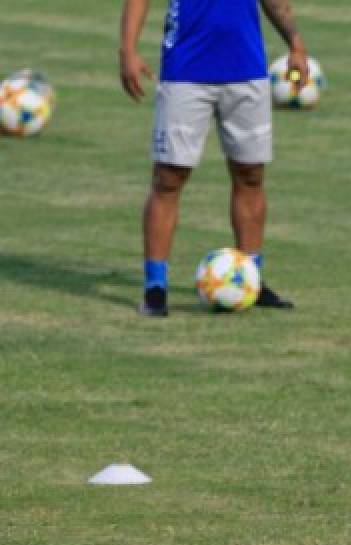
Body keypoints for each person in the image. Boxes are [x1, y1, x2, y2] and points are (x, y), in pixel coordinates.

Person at [119, 0, 306, 316]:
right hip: (185, 72)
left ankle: (252, 278)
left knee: (251, 175)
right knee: (169, 178)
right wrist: (128, 52)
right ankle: (155, 287)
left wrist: (296, 43)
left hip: (247, 70)